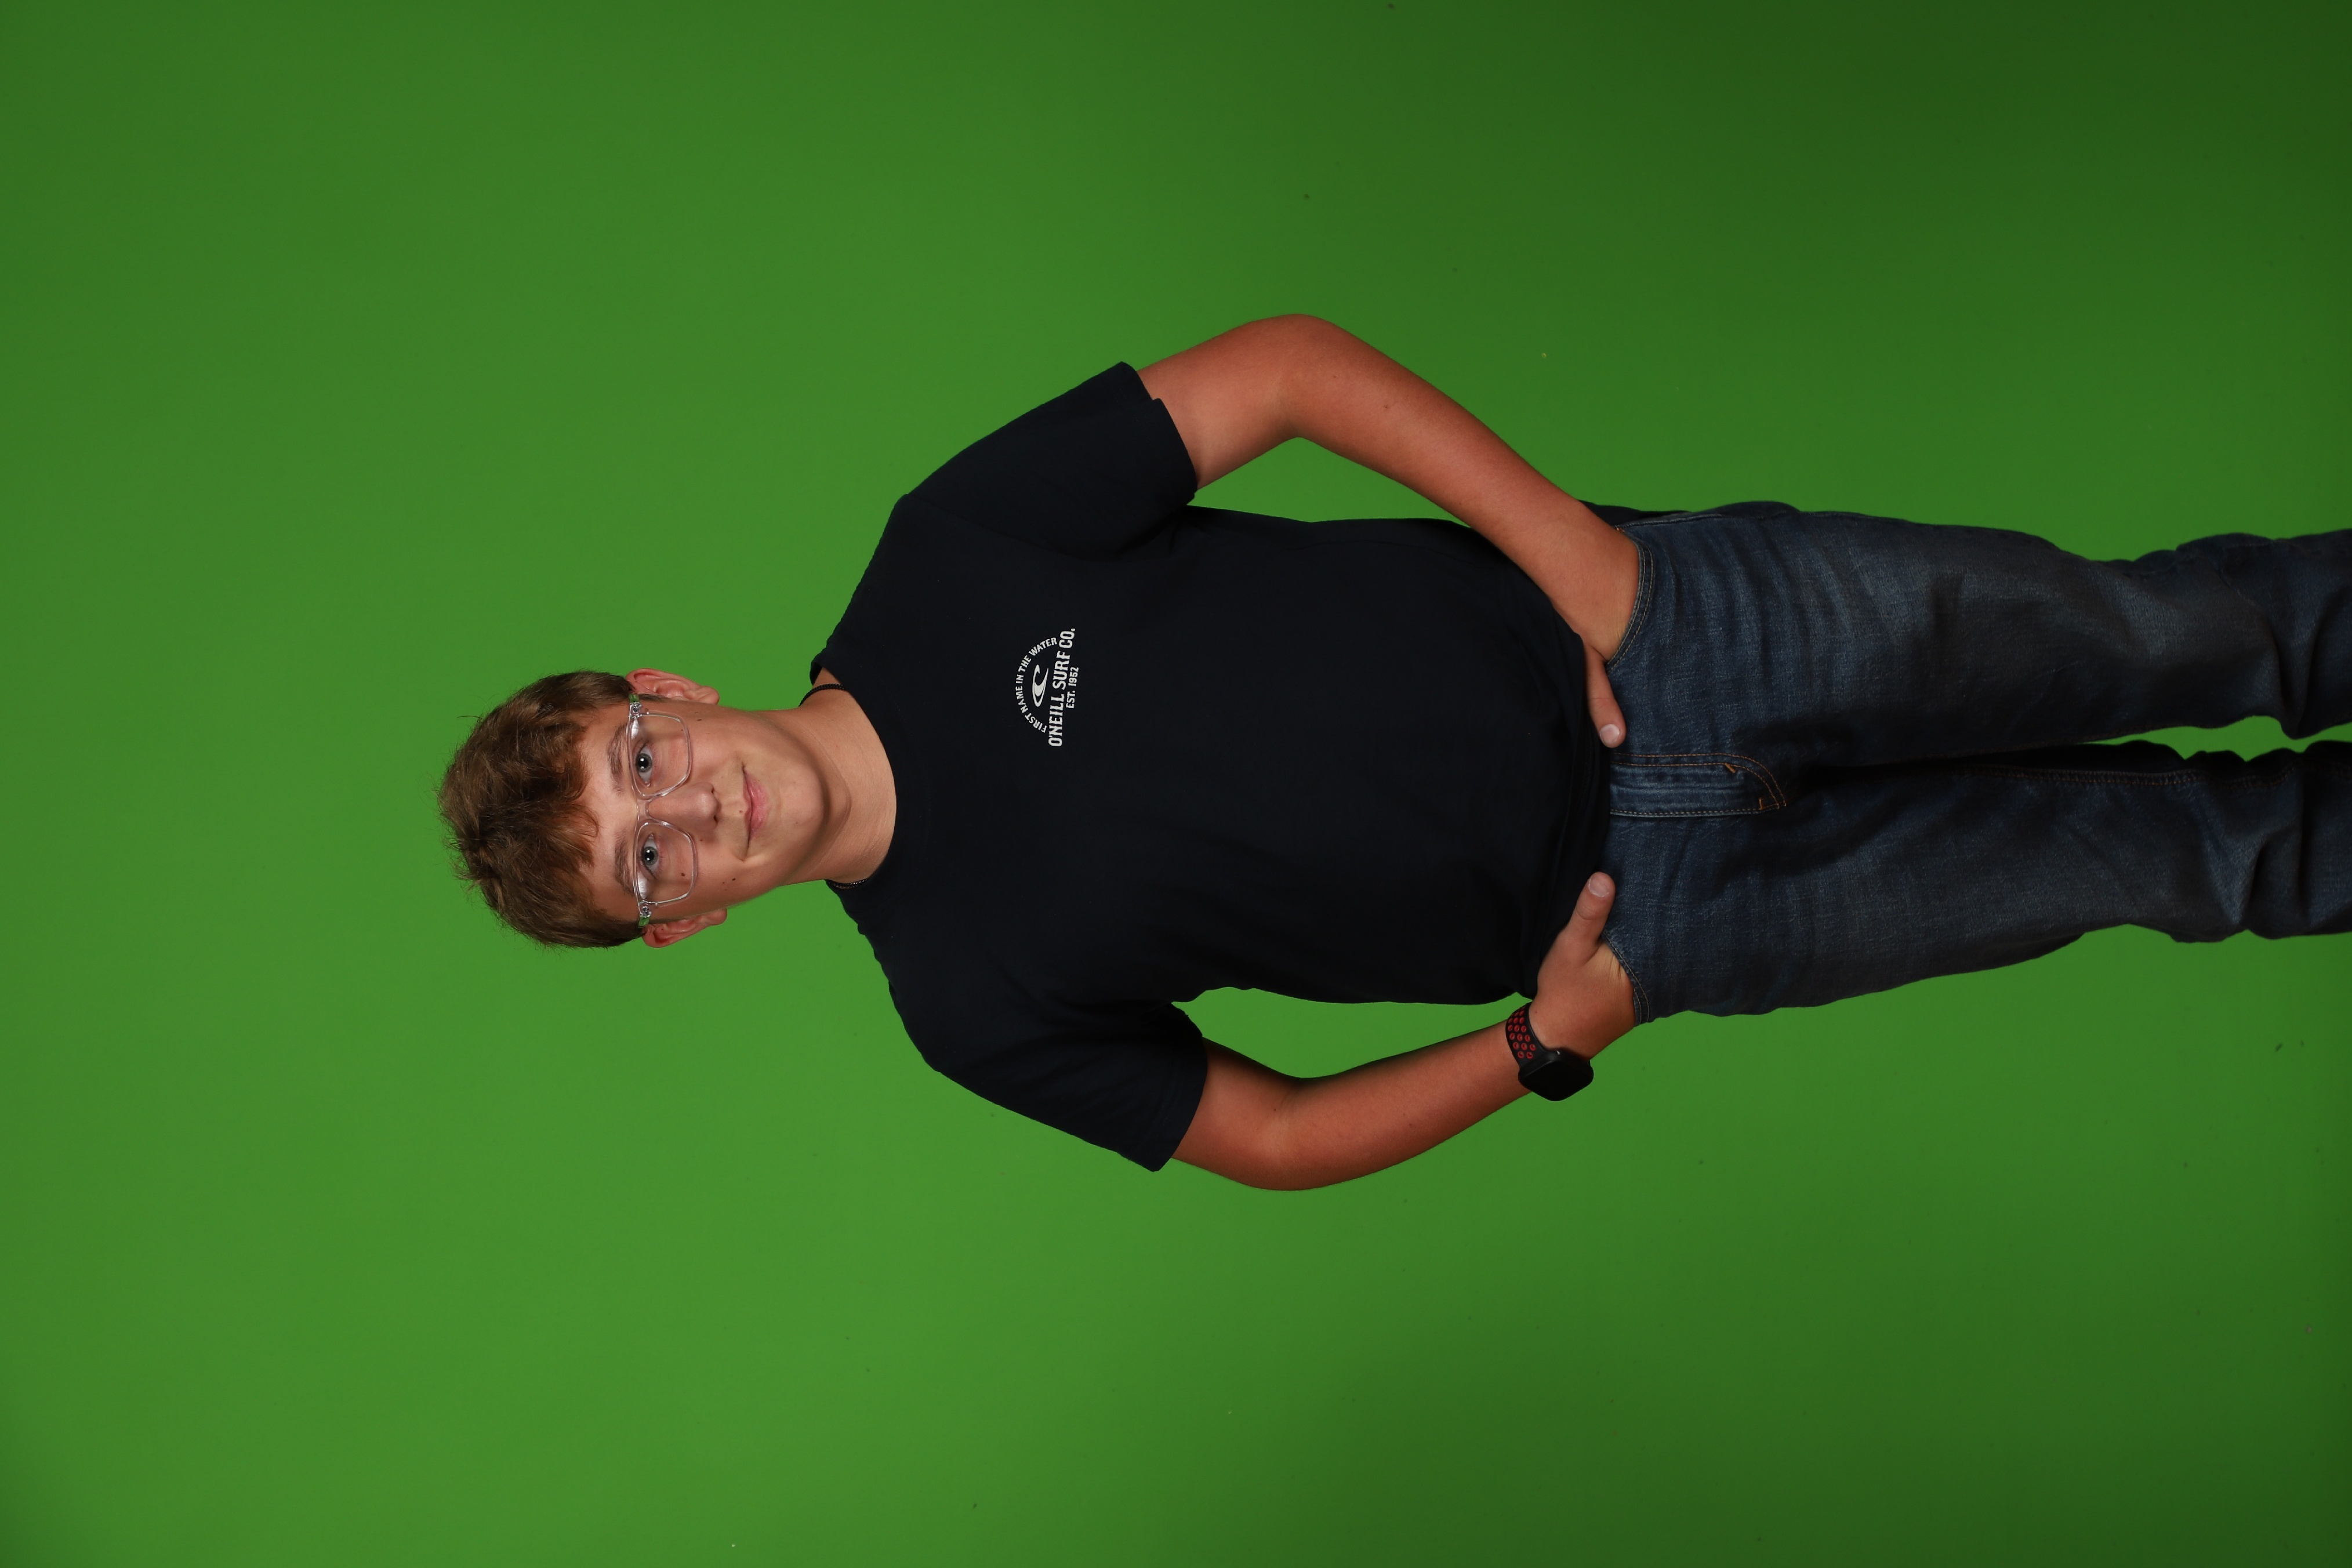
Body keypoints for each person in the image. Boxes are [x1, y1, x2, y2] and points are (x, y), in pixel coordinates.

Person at [438, 316, 2352, 1189]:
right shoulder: (968, 1004)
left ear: (667, 691)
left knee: (2196, 631)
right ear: (681, 925)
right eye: (646, 861)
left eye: (638, 761)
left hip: (1679, 626)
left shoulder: (948, 557)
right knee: (2199, 863)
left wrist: (1582, 562)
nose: (686, 810)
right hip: (1669, 916)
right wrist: (1545, 1045)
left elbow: (1285, 371)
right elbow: (1270, 1137)